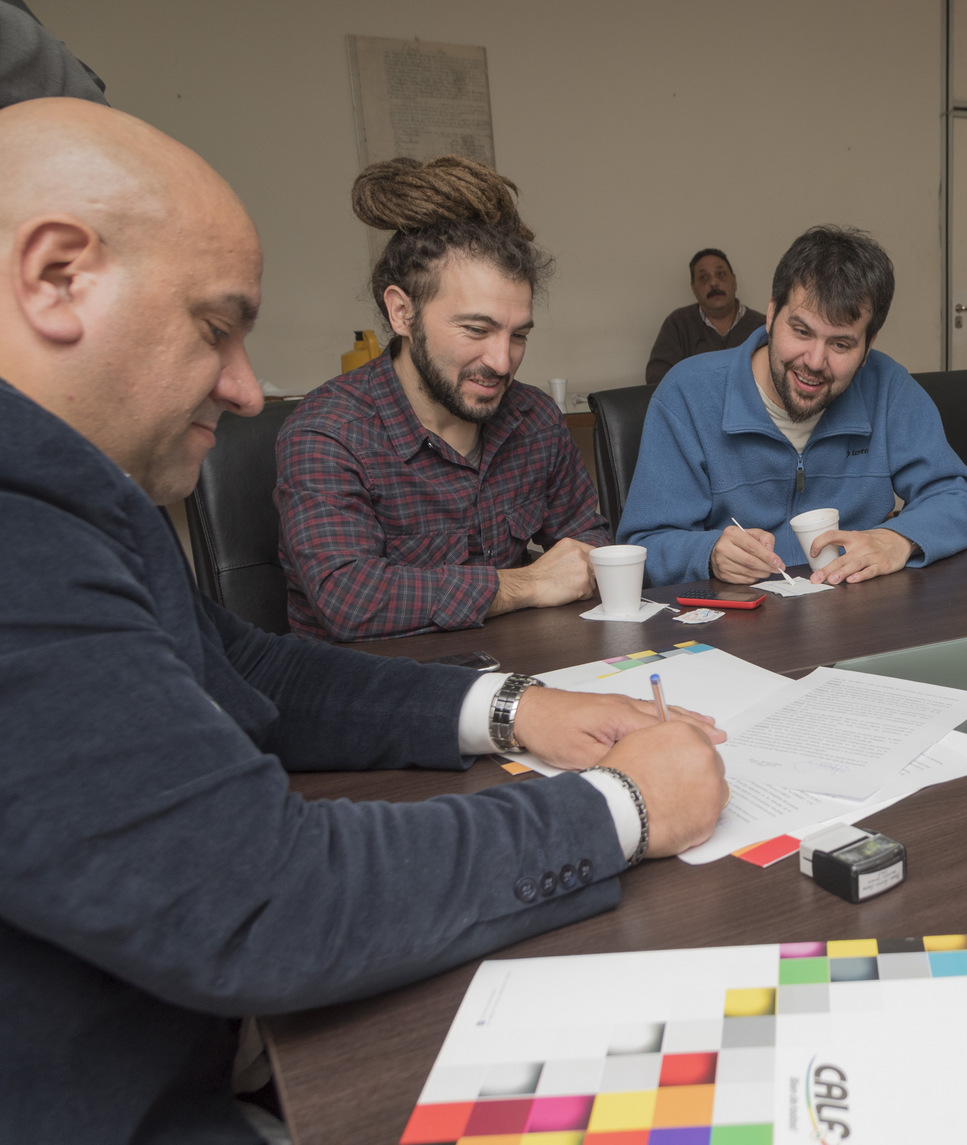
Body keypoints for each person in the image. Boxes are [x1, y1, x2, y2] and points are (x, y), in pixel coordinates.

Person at [0, 98, 727, 1145]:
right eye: (216, 329)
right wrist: (622, 808)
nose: (249, 390)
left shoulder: (82, 493)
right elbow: (263, 895)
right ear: (56, 275)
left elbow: (251, 669)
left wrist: (512, 706)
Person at [275, 156, 609, 642]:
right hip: (370, 692)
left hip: (514, 676)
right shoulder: (328, 432)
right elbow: (350, 598)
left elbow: (587, 543)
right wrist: (525, 584)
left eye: (519, 335)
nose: (501, 361)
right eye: (477, 329)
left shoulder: (534, 418)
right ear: (402, 312)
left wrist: (580, 564)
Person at [619, 225, 967, 587]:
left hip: (859, 620)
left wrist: (898, 540)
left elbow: (961, 497)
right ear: (770, 315)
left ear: (868, 345)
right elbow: (641, 546)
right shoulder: (687, 395)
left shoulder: (887, 386)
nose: (814, 361)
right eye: (801, 331)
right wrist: (708, 553)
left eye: (841, 345)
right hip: (735, 633)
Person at [644, 247, 766, 385]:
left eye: (721, 274)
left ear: (734, 281)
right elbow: (656, 376)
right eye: (704, 278)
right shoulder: (678, 323)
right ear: (694, 289)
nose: (713, 283)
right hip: (694, 406)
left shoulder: (762, 326)